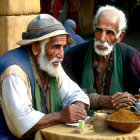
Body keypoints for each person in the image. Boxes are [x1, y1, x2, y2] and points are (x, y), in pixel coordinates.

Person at [0, 14, 89, 139]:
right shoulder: (14, 71)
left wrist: (77, 108)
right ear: (36, 47)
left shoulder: (49, 63)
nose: (62, 55)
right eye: (56, 47)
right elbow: (22, 122)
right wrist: (60, 116)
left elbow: (74, 92)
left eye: (63, 47)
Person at [63, 5, 140, 116]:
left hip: (119, 126)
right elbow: (65, 95)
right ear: (94, 28)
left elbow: (138, 96)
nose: (102, 38)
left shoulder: (131, 57)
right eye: (99, 31)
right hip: (81, 125)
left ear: (120, 36)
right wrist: (99, 100)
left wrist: (129, 99)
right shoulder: (73, 56)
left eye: (110, 32)